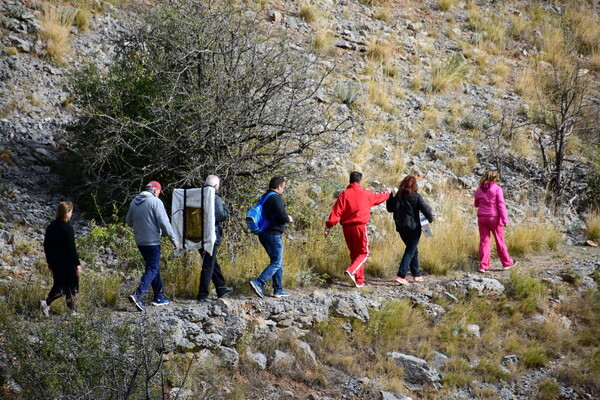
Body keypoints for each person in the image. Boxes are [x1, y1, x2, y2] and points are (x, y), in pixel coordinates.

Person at [324, 171, 391, 288]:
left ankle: (359, 281)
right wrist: (388, 193)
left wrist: (329, 226)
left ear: (350, 180)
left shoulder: (344, 195)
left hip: (346, 228)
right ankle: (351, 271)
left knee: (355, 253)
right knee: (364, 253)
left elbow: (336, 211)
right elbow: (379, 197)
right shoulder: (366, 193)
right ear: (360, 181)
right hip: (360, 227)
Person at [126, 181, 179, 311]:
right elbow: (164, 223)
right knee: (152, 268)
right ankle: (137, 295)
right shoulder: (155, 202)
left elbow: (128, 221)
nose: (159, 195)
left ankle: (159, 297)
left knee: (153, 267)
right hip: (152, 241)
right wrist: (173, 239)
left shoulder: (134, 202)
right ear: (155, 191)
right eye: (159, 193)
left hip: (140, 241)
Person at [250, 176, 294, 298]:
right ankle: (258, 282)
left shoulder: (264, 197)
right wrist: (288, 218)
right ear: (279, 186)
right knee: (276, 262)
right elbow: (282, 215)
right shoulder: (276, 197)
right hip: (273, 234)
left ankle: (278, 289)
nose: (283, 189)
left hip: (263, 233)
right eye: (283, 187)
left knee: (277, 261)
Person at [386, 175, 433, 285]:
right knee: (410, 250)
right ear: (414, 185)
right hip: (414, 228)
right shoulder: (416, 196)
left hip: (401, 228)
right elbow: (426, 210)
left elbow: (390, 209)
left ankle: (416, 274)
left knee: (413, 250)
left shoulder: (398, 196)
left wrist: (389, 196)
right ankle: (401, 275)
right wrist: (430, 219)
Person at [41, 201, 81, 316]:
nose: (71, 214)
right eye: (71, 212)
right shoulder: (67, 229)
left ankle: (71, 311)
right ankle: (47, 303)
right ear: (66, 213)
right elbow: (71, 249)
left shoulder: (51, 226)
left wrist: (49, 261)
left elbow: (46, 245)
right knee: (70, 287)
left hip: (55, 261)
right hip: (67, 262)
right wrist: (77, 264)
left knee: (60, 284)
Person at [197, 175, 233, 302]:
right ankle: (202, 295)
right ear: (216, 186)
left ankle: (221, 288)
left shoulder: (198, 196)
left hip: (197, 235)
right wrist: (224, 206)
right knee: (208, 265)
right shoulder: (216, 198)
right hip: (210, 237)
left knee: (212, 263)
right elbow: (221, 216)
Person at [474, 170, 517, 272]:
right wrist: (505, 219)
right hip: (494, 217)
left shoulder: (479, 189)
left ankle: (483, 266)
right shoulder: (497, 188)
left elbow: (476, 204)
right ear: (494, 178)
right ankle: (507, 262)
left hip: (481, 217)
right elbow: (501, 204)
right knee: (499, 240)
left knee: (484, 242)